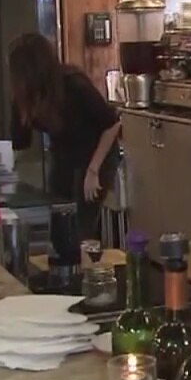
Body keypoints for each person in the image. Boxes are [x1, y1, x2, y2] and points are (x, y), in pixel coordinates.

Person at [8, 33, 122, 239]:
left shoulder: (73, 85)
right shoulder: (25, 96)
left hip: (96, 153)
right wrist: (6, 177)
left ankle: (86, 254)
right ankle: (64, 254)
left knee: (81, 225)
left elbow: (111, 124)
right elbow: (20, 143)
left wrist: (93, 171)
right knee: (58, 218)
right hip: (63, 154)